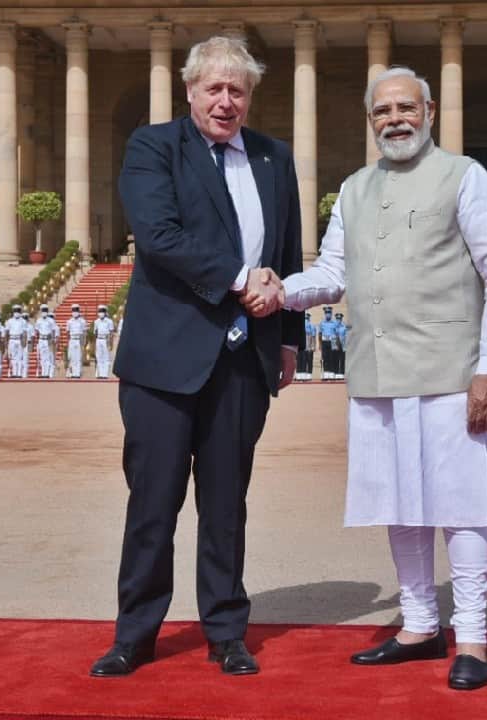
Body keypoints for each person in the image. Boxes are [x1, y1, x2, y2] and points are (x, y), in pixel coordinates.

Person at [279, 66, 487, 691]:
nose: (395, 119)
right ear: (370, 121)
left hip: (449, 371)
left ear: (430, 111)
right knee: (400, 505)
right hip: (377, 371)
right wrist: (275, 288)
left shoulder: (465, 177)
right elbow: (331, 274)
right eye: (382, 111)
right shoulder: (354, 189)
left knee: (461, 508)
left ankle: (471, 635)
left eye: (405, 107)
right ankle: (418, 623)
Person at [91, 35, 302, 679]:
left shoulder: (273, 157)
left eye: (237, 90)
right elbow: (159, 237)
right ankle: (136, 632)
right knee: (153, 502)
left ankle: (226, 630)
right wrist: (242, 279)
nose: (226, 101)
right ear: (189, 91)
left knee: (226, 502)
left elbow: (287, 251)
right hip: (165, 357)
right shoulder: (155, 146)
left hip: (243, 359)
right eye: (214, 88)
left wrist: (289, 334)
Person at [93, 305, 116, 379]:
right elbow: (95, 333)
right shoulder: (96, 322)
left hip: (106, 340)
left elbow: (111, 333)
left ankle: (105, 374)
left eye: (102, 311)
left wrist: (111, 343)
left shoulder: (109, 321)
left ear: (105, 312)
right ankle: (100, 373)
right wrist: (95, 343)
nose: (100, 313)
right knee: (99, 357)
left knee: (106, 357)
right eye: (99, 311)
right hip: (98, 340)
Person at [64, 304, 87, 379]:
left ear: (79, 311)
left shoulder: (82, 321)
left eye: (76, 310)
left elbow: (84, 333)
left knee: (78, 357)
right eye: (73, 310)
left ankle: (77, 373)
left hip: (79, 340)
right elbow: (67, 332)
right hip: (72, 340)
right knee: (72, 357)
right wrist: (68, 342)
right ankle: (72, 372)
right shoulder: (69, 321)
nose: (75, 312)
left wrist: (83, 343)